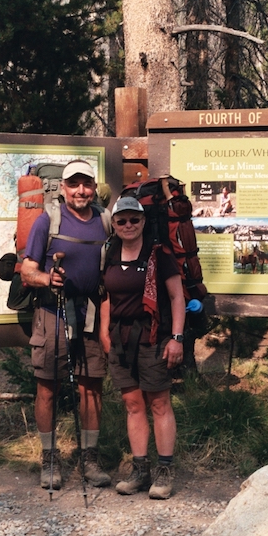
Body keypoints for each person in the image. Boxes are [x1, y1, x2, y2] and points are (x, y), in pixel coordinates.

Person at [20, 159, 112, 491]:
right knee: (48, 387)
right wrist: (48, 278)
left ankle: (89, 458)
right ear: (63, 188)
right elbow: (27, 270)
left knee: (92, 387)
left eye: (86, 184)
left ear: (93, 186)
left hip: (89, 314)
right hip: (52, 312)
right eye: (74, 184)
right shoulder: (48, 220)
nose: (81, 190)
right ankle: (49, 459)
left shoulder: (104, 221)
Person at [99, 196, 186, 500]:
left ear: (143, 221)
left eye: (134, 219)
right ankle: (140, 470)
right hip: (121, 340)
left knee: (159, 403)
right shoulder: (110, 253)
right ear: (115, 224)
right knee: (133, 405)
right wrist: (103, 330)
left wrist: (177, 337)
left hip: (154, 337)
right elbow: (106, 296)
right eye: (121, 220)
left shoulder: (158, 255)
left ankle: (164, 470)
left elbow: (177, 297)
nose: (128, 225)